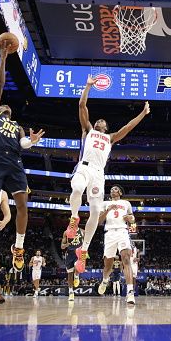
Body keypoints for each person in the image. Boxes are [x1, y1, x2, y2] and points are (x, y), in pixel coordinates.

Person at [63, 76, 150, 274]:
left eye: (103, 120)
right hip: (84, 167)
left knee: (95, 212)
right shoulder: (88, 130)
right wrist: (88, 86)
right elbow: (81, 105)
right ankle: (74, 218)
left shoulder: (110, 138)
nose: (99, 120)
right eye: (98, 119)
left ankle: (83, 251)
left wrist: (143, 113)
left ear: (106, 127)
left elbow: (128, 127)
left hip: (98, 174)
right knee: (76, 188)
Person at [0, 40, 45, 277]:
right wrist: (3, 58)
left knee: (24, 206)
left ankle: (19, 247)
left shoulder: (17, 126)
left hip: (15, 161)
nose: (4, 104)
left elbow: (23, 144)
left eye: (7, 105)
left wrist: (32, 141)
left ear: (11, 112)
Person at [96, 185, 138, 304]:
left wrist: (130, 218)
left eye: (115, 189)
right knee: (107, 266)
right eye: (111, 190)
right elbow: (99, 221)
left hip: (122, 231)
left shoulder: (126, 203)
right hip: (109, 234)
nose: (112, 190)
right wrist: (108, 210)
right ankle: (105, 280)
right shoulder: (104, 203)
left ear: (120, 192)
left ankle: (130, 293)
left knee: (126, 260)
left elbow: (132, 219)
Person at [61, 227, 83, 301]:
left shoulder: (82, 231)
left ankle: (76, 276)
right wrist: (67, 244)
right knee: (70, 274)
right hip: (69, 254)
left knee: (77, 265)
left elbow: (87, 242)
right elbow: (62, 246)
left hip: (78, 252)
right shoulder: (66, 232)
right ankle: (71, 292)